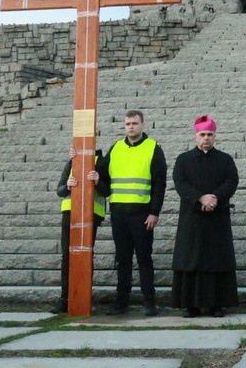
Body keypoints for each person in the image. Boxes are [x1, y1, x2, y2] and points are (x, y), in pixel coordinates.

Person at [99, 110, 167, 316]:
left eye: (135, 123)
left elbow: (159, 184)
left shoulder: (153, 148)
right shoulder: (116, 148)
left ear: (143, 125)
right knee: (123, 260)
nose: (131, 127)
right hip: (119, 214)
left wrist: (154, 212)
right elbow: (102, 176)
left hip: (142, 214)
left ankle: (149, 302)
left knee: (144, 259)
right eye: (128, 123)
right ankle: (122, 302)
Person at [171, 115, 240, 318]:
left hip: (217, 218)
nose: (206, 138)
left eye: (210, 134)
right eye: (202, 134)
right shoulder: (183, 160)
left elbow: (232, 180)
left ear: (215, 136)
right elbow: (180, 182)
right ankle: (191, 305)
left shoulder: (225, 159)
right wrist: (200, 198)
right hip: (192, 218)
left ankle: (216, 305)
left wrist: (216, 198)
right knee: (191, 259)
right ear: (196, 136)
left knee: (216, 260)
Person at [50, 147, 109, 314]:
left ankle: (83, 297)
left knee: (85, 255)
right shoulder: (72, 161)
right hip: (70, 213)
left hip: (92, 214)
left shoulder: (102, 162)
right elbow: (60, 190)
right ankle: (65, 298)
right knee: (67, 256)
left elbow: (107, 191)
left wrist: (98, 182)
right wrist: (67, 186)